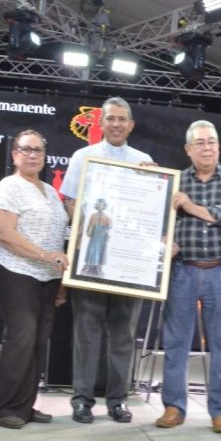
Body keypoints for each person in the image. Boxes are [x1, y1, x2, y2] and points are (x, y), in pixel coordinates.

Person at [60, 97, 153, 424]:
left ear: (131, 125)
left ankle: (117, 400)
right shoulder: (82, 157)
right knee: (86, 333)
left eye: (122, 119)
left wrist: (154, 185)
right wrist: (85, 235)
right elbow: (70, 202)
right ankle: (82, 400)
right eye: (110, 118)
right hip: (91, 258)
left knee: (124, 335)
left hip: (127, 264)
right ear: (101, 123)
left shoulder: (144, 161)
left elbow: (150, 210)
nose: (116, 124)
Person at [154, 120, 221, 434]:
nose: (207, 147)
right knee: (175, 343)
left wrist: (192, 207)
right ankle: (173, 406)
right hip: (182, 270)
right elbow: (162, 222)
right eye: (200, 143)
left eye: (212, 141)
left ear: (218, 147)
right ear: (188, 149)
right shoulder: (176, 182)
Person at [0, 130, 69, 429]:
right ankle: (3, 409)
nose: (33, 155)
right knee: (21, 337)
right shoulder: (10, 186)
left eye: (39, 150)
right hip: (15, 270)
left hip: (47, 278)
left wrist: (60, 281)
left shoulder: (50, 192)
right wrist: (45, 256)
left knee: (37, 343)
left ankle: (24, 406)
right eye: (26, 149)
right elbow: (5, 234)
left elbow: (61, 238)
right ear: (15, 154)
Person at [80, 198, 111, 277]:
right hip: (94, 236)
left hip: (102, 236)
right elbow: (89, 226)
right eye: (99, 204)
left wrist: (107, 229)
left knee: (100, 251)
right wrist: (88, 231)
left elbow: (109, 226)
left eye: (102, 204)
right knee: (92, 250)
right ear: (97, 205)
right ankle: (88, 266)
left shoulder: (106, 217)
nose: (101, 206)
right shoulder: (93, 215)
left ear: (104, 206)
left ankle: (98, 268)